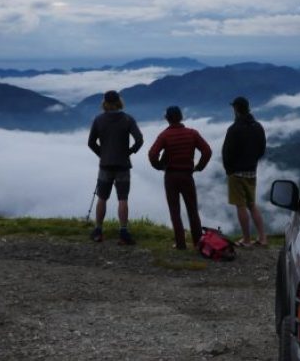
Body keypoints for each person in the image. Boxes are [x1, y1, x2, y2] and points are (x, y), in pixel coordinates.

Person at [147, 106, 212, 250]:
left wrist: (160, 166)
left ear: (167, 118)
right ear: (181, 117)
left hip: (171, 176)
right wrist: (199, 167)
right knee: (192, 210)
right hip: (187, 175)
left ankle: (180, 244)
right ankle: (197, 242)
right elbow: (207, 151)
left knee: (174, 210)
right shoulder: (192, 133)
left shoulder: (164, 135)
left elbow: (152, 154)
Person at [87, 90, 143, 245]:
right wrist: (130, 152)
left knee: (102, 198)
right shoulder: (127, 119)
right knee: (123, 199)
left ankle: (98, 231)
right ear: (119, 102)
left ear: (104, 103)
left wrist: (102, 154)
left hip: (105, 165)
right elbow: (139, 140)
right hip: (123, 165)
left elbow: (91, 143)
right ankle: (123, 232)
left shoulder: (98, 120)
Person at [222, 95, 268, 247]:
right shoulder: (258, 127)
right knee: (252, 204)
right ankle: (262, 238)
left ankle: (246, 239)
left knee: (240, 205)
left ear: (236, 109)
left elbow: (226, 152)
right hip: (251, 171)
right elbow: (262, 149)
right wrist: (253, 162)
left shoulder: (234, 129)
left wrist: (229, 170)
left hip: (236, 173)